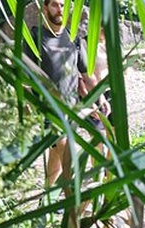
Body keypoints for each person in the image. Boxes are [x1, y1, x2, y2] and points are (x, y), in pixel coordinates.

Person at [28, 0, 108, 186]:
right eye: (55, 5)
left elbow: (85, 74)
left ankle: (50, 194)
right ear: (45, 8)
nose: (59, 10)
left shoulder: (73, 38)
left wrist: (100, 96)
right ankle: (74, 198)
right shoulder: (34, 37)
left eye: (63, 5)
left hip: (75, 106)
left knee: (97, 136)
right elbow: (25, 76)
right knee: (65, 150)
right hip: (49, 108)